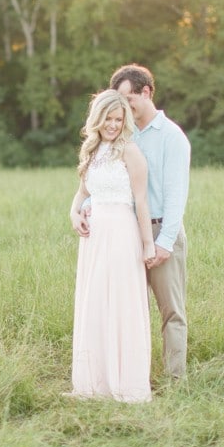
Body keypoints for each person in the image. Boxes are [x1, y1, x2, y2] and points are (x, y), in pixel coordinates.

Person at [67, 89, 158, 403]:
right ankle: (93, 384)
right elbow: (82, 192)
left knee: (119, 304)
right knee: (94, 303)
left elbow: (141, 201)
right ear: (98, 118)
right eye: (109, 118)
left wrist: (148, 245)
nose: (114, 125)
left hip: (121, 233)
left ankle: (125, 384)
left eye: (119, 119)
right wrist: (74, 213)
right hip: (94, 239)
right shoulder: (91, 150)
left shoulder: (130, 152)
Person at [109, 64, 191, 381]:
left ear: (146, 93)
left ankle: (175, 381)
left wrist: (164, 242)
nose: (123, 108)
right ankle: (133, 378)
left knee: (171, 312)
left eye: (128, 100)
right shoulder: (122, 135)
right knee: (130, 309)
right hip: (126, 231)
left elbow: (176, 195)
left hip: (160, 230)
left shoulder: (172, 137)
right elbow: (109, 179)